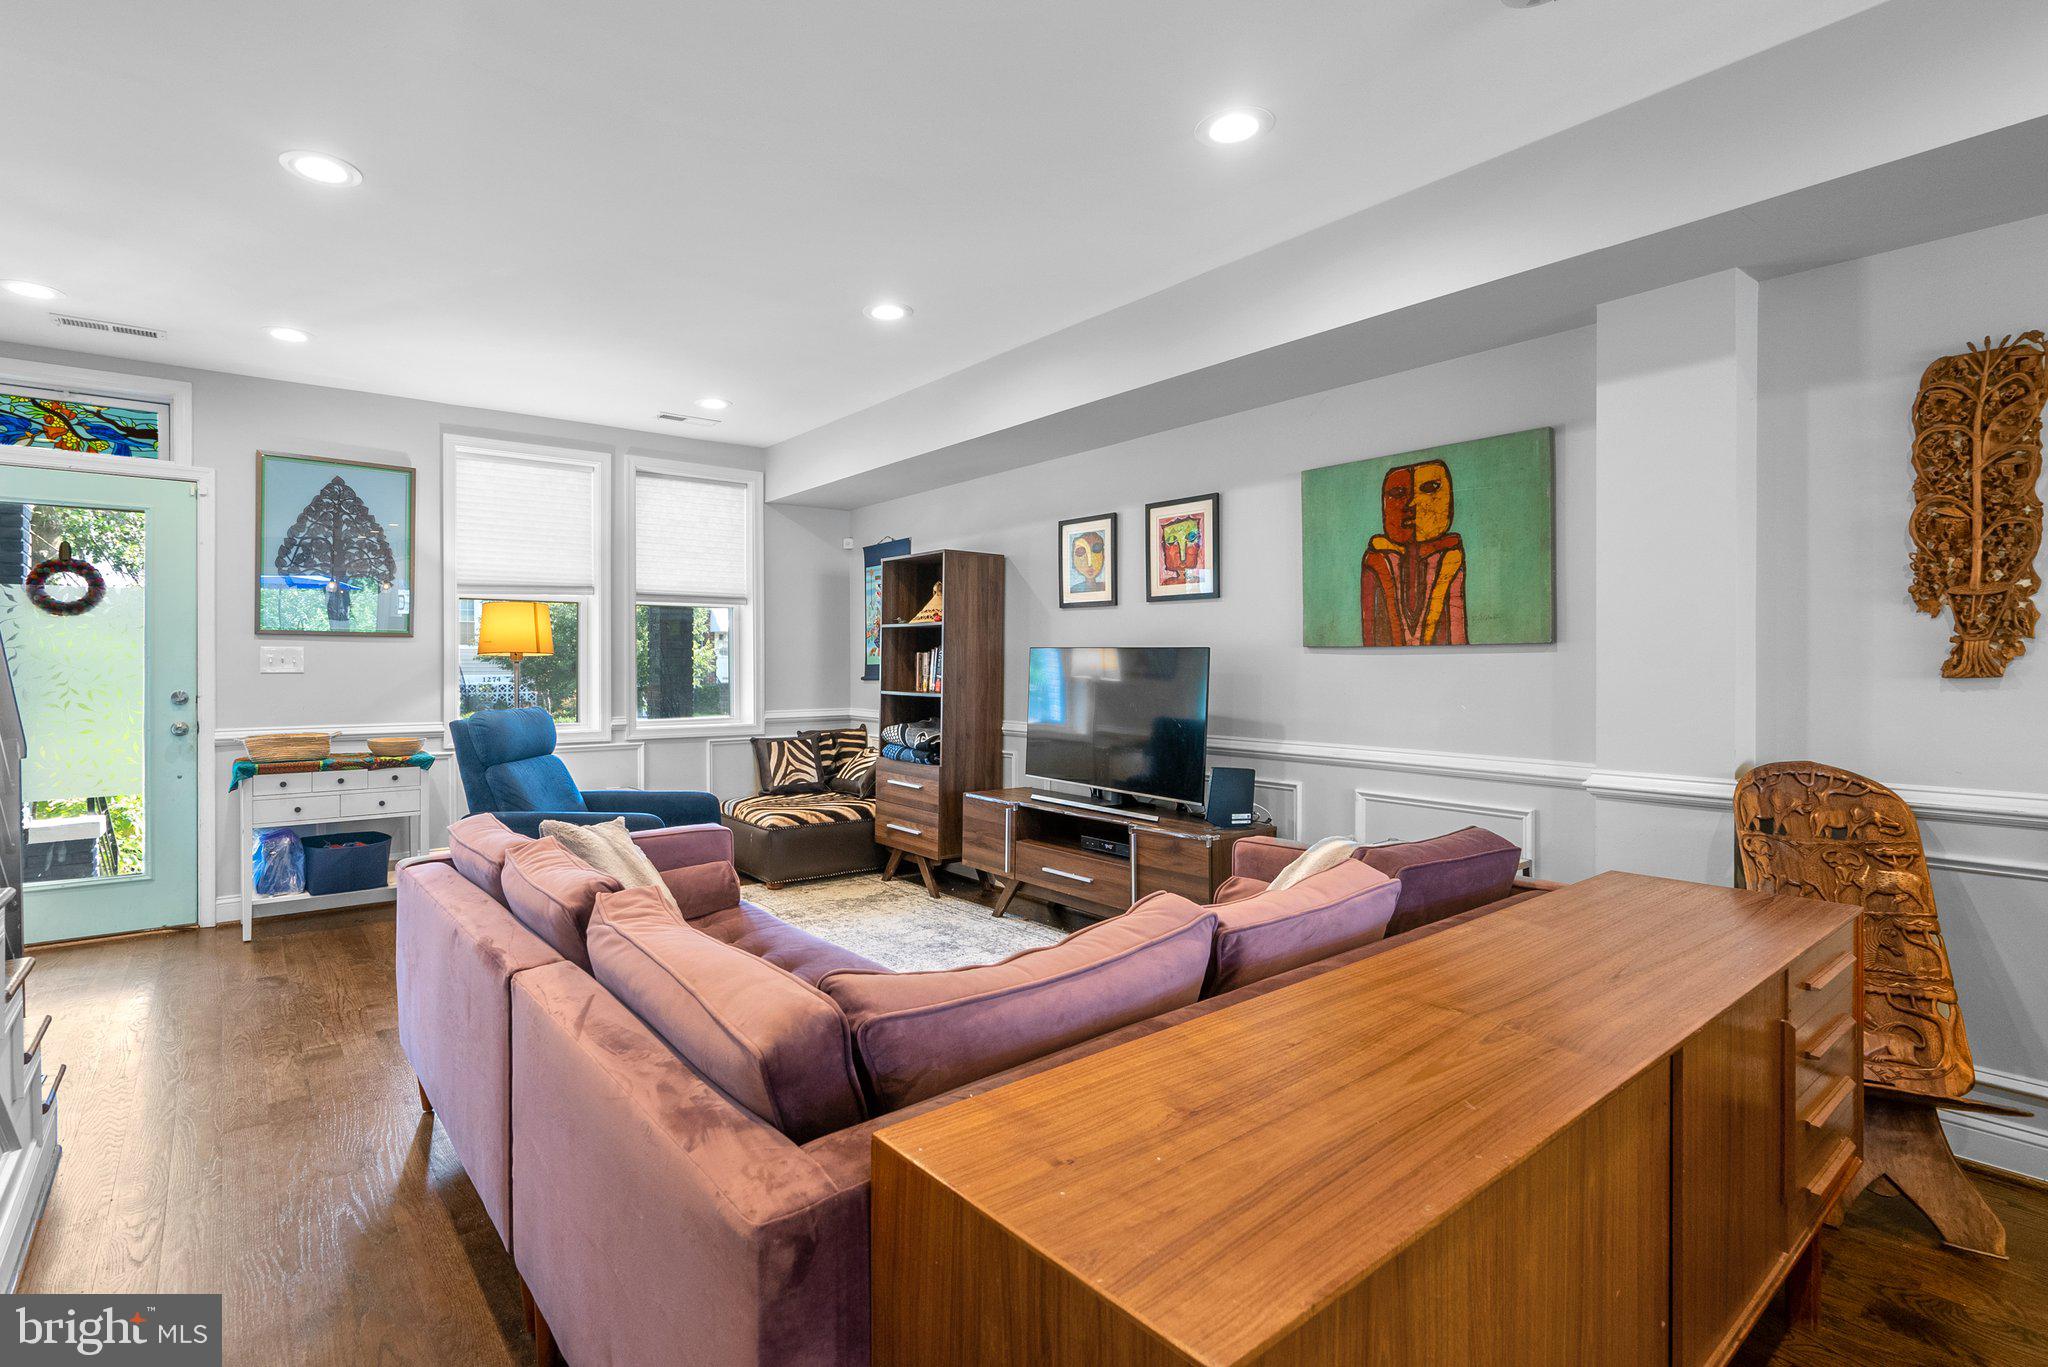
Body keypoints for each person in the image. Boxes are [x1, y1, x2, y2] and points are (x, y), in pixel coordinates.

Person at [1360, 459, 1467, 645]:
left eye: (1430, 488)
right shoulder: (1376, 558)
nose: (1412, 503)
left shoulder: (1451, 556)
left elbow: (1457, 633)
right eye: (1398, 493)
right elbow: (1371, 634)